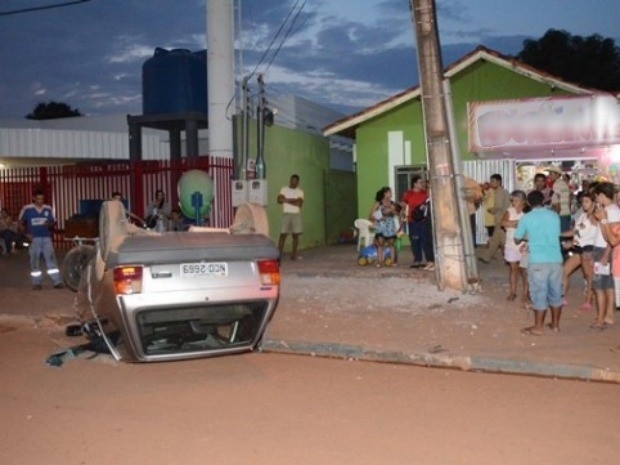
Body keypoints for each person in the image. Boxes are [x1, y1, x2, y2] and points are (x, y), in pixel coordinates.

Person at [514, 190, 563, 335]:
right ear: (543, 200)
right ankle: (555, 325)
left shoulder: (526, 218)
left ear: (528, 203)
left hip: (537, 261)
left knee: (539, 293)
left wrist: (525, 237)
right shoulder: (554, 216)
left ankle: (538, 327)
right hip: (555, 259)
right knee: (556, 293)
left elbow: (517, 239)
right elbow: (555, 234)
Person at [18, 190, 63, 290]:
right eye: (38, 198)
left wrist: (49, 224)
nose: (40, 201)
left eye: (42, 198)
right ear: (34, 198)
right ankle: (36, 283)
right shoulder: (27, 209)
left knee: (51, 259)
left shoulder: (48, 208)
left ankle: (57, 282)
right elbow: (20, 222)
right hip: (34, 239)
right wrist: (26, 234)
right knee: (34, 260)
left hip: (46, 237)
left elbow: (52, 221)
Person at [560, 192, 597, 312]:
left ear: (594, 202)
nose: (584, 204)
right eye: (582, 202)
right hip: (578, 247)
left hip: (589, 249)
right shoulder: (583, 215)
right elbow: (575, 231)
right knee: (564, 271)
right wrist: (559, 234)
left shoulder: (596, 216)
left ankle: (588, 301)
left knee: (589, 275)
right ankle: (562, 297)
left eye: (587, 201)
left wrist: (573, 242)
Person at [590, 182, 620, 329]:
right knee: (607, 286)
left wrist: (604, 255)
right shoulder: (611, 209)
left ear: (602, 195)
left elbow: (613, 237)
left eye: (596, 196)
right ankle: (608, 315)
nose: (596, 200)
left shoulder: (610, 211)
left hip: (603, 251)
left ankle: (601, 318)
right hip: (604, 250)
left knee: (598, 287)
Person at [502, 190, 528, 302]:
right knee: (513, 269)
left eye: (516, 200)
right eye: (513, 200)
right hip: (511, 244)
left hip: (523, 244)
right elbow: (502, 223)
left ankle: (526, 293)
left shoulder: (527, 213)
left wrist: (512, 223)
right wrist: (517, 223)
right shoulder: (509, 211)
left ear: (523, 202)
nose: (514, 203)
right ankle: (513, 292)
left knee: (524, 271)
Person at [479, 174, 510, 264]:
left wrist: (490, 210)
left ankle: (509, 258)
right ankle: (486, 257)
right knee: (495, 241)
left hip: (501, 219)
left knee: (503, 241)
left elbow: (498, 206)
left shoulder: (500, 192)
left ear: (499, 182)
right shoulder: (499, 191)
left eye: (493, 181)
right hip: (500, 220)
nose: (491, 183)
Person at [402, 175, 428, 268]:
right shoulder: (408, 194)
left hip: (423, 221)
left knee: (424, 240)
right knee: (414, 239)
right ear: (415, 184)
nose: (422, 184)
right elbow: (404, 206)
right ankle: (417, 259)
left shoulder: (425, 194)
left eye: (422, 182)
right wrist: (403, 217)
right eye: (420, 182)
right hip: (412, 221)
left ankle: (426, 260)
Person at [368, 187, 398, 268]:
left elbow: (397, 213)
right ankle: (379, 262)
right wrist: (378, 217)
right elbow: (371, 215)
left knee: (391, 243)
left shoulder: (392, 203)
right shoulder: (378, 203)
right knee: (380, 243)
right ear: (384, 193)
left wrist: (392, 210)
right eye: (389, 192)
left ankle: (392, 261)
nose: (391, 193)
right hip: (381, 226)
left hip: (390, 226)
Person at [278, 174, 304, 260]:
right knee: (283, 235)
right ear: (290, 180)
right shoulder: (284, 189)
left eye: (296, 181)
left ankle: (293, 255)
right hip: (286, 214)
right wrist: (294, 200)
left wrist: (286, 200)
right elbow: (279, 200)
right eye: (293, 180)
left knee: (295, 235)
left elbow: (299, 204)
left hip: (296, 215)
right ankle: (278, 254)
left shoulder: (300, 191)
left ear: (298, 182)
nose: (294, 182)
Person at [547, 166, 572, 232]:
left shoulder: (556, 184)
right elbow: (569, 198)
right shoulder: (563, 183)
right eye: (549, 174)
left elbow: (556, 200)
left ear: (557, 175)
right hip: (567, 213)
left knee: (561, 235)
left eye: (551, 174)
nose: (549, 176)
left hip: (561, 213)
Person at [461, 176, 483, 247]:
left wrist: (470, 196)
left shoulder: (470, 181)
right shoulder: (450, 181)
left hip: (469, 212)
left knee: (470, 230)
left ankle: (472, 246)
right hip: (455, 213)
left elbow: (479, 196)